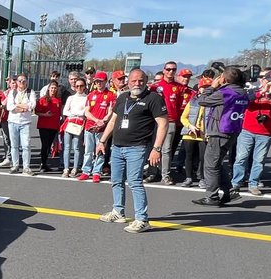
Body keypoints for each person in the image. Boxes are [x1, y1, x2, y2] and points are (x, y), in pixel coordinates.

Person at [96, 69, 168, 233]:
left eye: (141, 81)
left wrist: (156, 149)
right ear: (128, 81)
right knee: (116, 180)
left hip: (137, 147)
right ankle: (118, 211)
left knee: (135, 182)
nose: (137, 84)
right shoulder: (122, 98)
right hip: (117, 147)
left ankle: (142, 219)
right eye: (134, 80)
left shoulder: (153, 99)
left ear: (146, 81)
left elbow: (163, 124)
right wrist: (102, 141)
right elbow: (113, 120)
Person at [192, 66, 249, 206]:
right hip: (233, 130)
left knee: (210, 165)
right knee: (217, 163)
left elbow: (202, 101)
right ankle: (230, 191)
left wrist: (212, 86)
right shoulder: (242, 93)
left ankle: (212, 196)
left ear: (223, 78)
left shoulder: (224, 93)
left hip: (219, 131)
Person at [230, 69, 271, 196]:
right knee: (241, 158)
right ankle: (236, 183)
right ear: (263, 81)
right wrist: (261, 92)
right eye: (269, 81)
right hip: (247, 130)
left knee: (259, 160)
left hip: (266, 133)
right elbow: (244, 100)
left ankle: (253, 184)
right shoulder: (253, 91)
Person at [150, 61, 188, 183]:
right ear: (164, 70)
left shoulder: (179, 87)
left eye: (173, 69)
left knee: (166, 149)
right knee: (154, 147)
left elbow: (179, 106)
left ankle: (165, 175)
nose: (171, 71)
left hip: (170, 121)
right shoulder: (155, 86)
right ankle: (152, 173)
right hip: (155, 121)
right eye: (168, 69)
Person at [78, 72, 115, 182]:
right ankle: (85, 171)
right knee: (88, 151)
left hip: (102, 128)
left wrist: (103, 121)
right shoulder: (90, 95)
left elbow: (111, 112)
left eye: (101, 81)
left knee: (99, 150)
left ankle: (96, 172)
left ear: (105, 81)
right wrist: (96, 120)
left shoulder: (111, 95)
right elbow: (87, 112)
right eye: (97, 81)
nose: (98, 83)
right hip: (90, 127)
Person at [178, 76, 209, 187]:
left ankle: (201, 178)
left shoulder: (214, 101)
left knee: (203, 157)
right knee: (189, 156)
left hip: (204, 135)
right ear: (199, 88)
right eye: (203, 87)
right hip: (190, 134)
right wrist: (190, 126)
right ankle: (188, 178)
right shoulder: (192, 101)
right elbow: (183, 117)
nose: (205, 89)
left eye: (208, 87)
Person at [5, 74, 36, 175]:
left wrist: (18, 106)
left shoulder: (30, 92)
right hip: (13, 122)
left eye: (23, 81)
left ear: (26, 82)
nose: (21, 83)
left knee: (26, 145)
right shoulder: (12, 92)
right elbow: (9, 106)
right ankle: (15, 165)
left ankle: (26, 167)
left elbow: (32, 105)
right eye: (19, 81)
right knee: (14, 145)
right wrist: (23, 107)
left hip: (25, 123)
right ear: (17, 82)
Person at [61, 76, 88, 177]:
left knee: (76, 147)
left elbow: (85, 112)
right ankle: (66, 168)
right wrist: (77, 113)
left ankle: (75, 167)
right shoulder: (71, 98)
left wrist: (75, 113)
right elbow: (65, 111)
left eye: (81, 86)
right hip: (70, 123)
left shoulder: (86, 98)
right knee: (67, 147)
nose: (79, 88)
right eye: (77, 86)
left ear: (84, 87)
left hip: (79, 124)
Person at [35, 80, 63, 173]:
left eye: (55, 88)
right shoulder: (42, 99)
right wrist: (45, 114)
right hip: (44, 126)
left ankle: (45, 163)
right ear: (48, 89)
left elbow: (59, 114)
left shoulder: (58, 100)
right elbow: (36, 112)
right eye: (52, 88)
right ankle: (42, 164)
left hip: (54, 126)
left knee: (49, 145)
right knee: (45, 145)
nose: (53, 90)